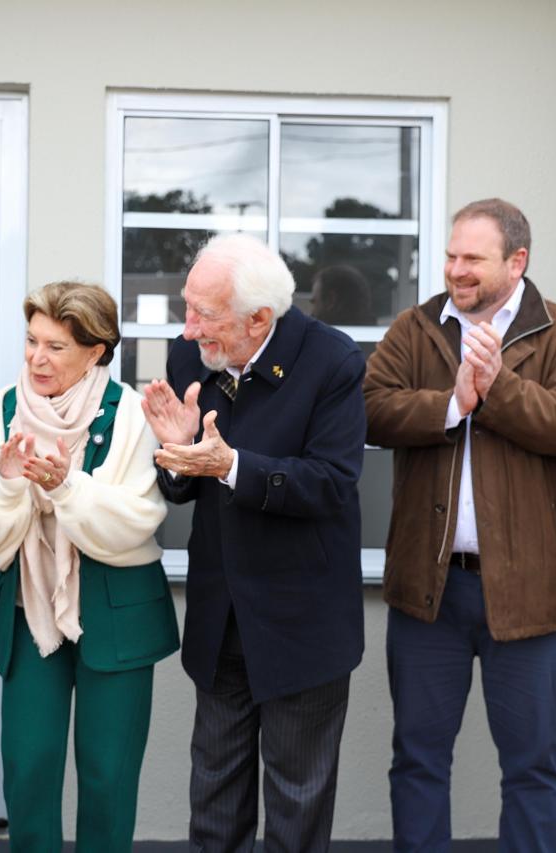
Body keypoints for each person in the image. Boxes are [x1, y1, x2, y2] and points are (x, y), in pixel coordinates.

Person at [364, 198, 556, 852]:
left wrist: (499, 389)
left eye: (472, 258)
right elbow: (369, 410)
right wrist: (450, 403)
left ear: (516, 261)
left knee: (532, 768)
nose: (456, 269)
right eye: (451, 255)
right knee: (417, 760)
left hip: (530, 597)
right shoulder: (417, 329)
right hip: (428, 591)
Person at [140, 234, 366, 852]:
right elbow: (182, 489)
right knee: (213, 803)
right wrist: (180, 458)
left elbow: (332, 484)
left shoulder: (333, 363)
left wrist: (230, 465)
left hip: (302, 623)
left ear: (259, 318)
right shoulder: (193, 361)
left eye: (204, 315)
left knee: (295, 807)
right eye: (187, 307)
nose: (188, 330)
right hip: (221, 619)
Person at [0, 281, 177, 852]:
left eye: (56, 347)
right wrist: (7, 486)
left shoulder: (130, 413)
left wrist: (66, 487)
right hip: (30, 610)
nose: (36, 358)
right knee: (29, 770)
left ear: (95, 351)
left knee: (108, 777)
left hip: (118, 608)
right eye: (31, 341)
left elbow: (139, 519)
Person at [311, 263, 377, 326]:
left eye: (314, 302)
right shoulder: (380, 334)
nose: (312, 313)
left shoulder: (321, 336)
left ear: (331, 300)